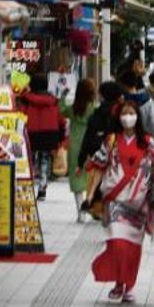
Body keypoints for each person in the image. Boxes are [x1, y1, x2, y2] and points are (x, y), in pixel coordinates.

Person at [87, 98, 154, 303]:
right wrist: (91, 193)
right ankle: (118, 282)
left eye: (131, 113)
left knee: (132, 246)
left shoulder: (148, 142)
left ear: (138, 117)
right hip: (115, 199)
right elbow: (99, 166)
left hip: (138, 202)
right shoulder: (110, 141)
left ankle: (128, 284)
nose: (127, 117)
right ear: (118, 117)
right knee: (117, 243)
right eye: (124, 114)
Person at [17, 72, 67, 200]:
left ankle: (29, 186)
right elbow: (61, 120)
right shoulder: (53, 101)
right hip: (50, 133)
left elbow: (20, 116)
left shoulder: (27, 100)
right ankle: (42, 188)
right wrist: (61, 137)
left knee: (31, 160)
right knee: (45, 160)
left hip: (31, 133)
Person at [67, 77, 100, 211]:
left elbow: (60, 108)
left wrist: (63, 94)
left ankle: (79, 210)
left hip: (74, 145)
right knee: (91, 177)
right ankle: (90, 204)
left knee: (77, 177)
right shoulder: (94, 108)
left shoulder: (72, 109)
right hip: (91, 145)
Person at [117, 65, 154, 141]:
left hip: (125, 139)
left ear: (123, 84)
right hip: (143, 139)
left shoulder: (121, 101)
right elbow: (153, 125)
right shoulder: (148, 101)